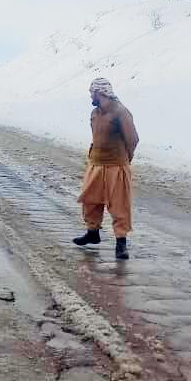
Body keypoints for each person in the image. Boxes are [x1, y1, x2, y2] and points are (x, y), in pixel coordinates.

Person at [73, 78, 139, 260]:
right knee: (90, 201)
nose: (90, 96)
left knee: (119, 205)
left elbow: (133, 139)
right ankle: (92, 233)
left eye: (91, 92)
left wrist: (126, 159)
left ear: (99, 92)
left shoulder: (121, 112)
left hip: (116, 166)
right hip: (96, 164)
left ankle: (121, 243)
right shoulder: (95, 113)